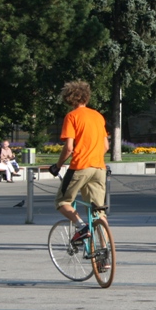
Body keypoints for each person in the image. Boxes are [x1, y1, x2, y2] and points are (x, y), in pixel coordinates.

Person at [50, 80, 110, 244]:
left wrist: (58, 166)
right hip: (99, 167)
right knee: (98, 211)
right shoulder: (98, 116)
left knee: (62, 201)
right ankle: (104, 252)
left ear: (69, 98)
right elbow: (106, 146)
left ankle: (81, 227)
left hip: (80, 166)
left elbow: (69, 148)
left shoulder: (71, 117)